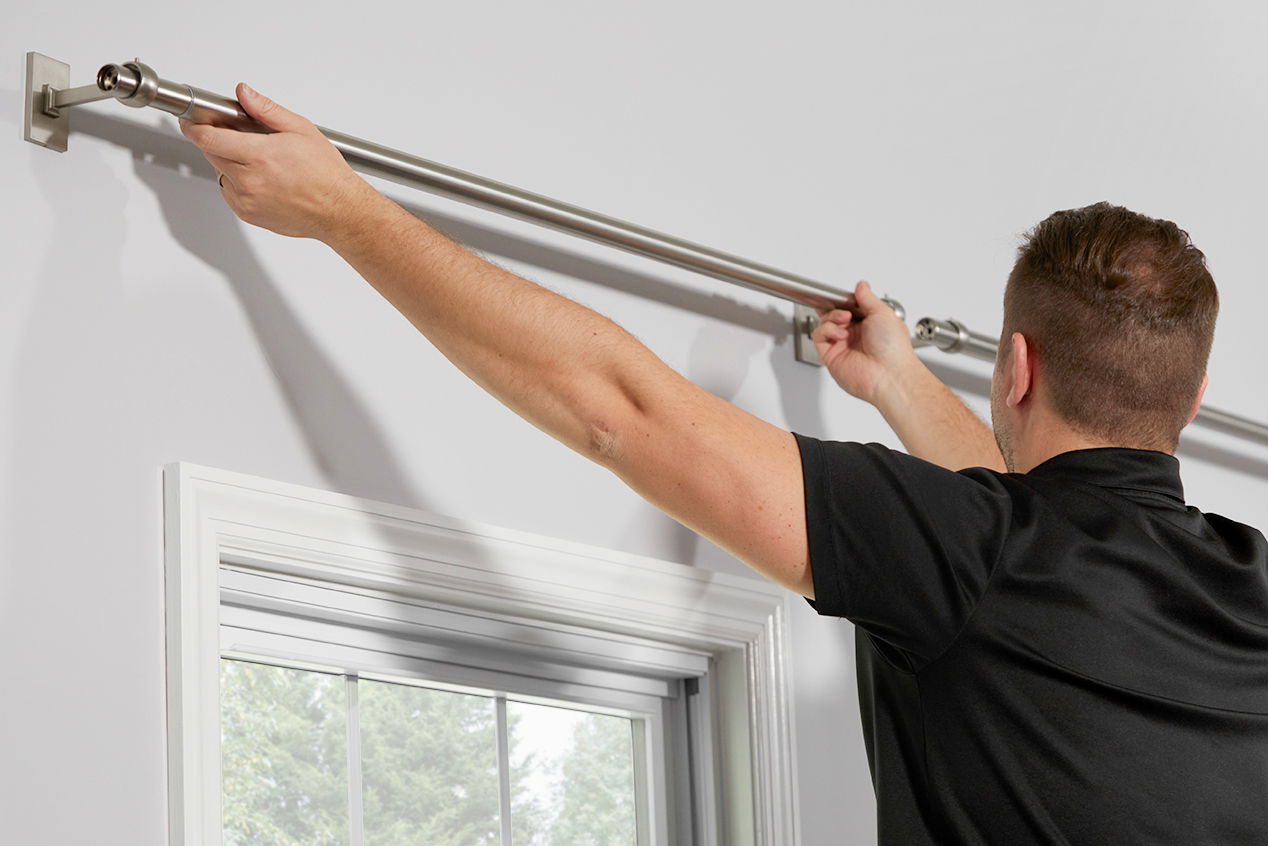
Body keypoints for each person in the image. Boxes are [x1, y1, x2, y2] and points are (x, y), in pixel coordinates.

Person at [180, 85, 1268, 844]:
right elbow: (1032, 541)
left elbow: (621, 410)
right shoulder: (1245, 589)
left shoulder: (981, 558)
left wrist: (343, 210)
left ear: (1014, 367)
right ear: (1193, 395)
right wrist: (895, 387)